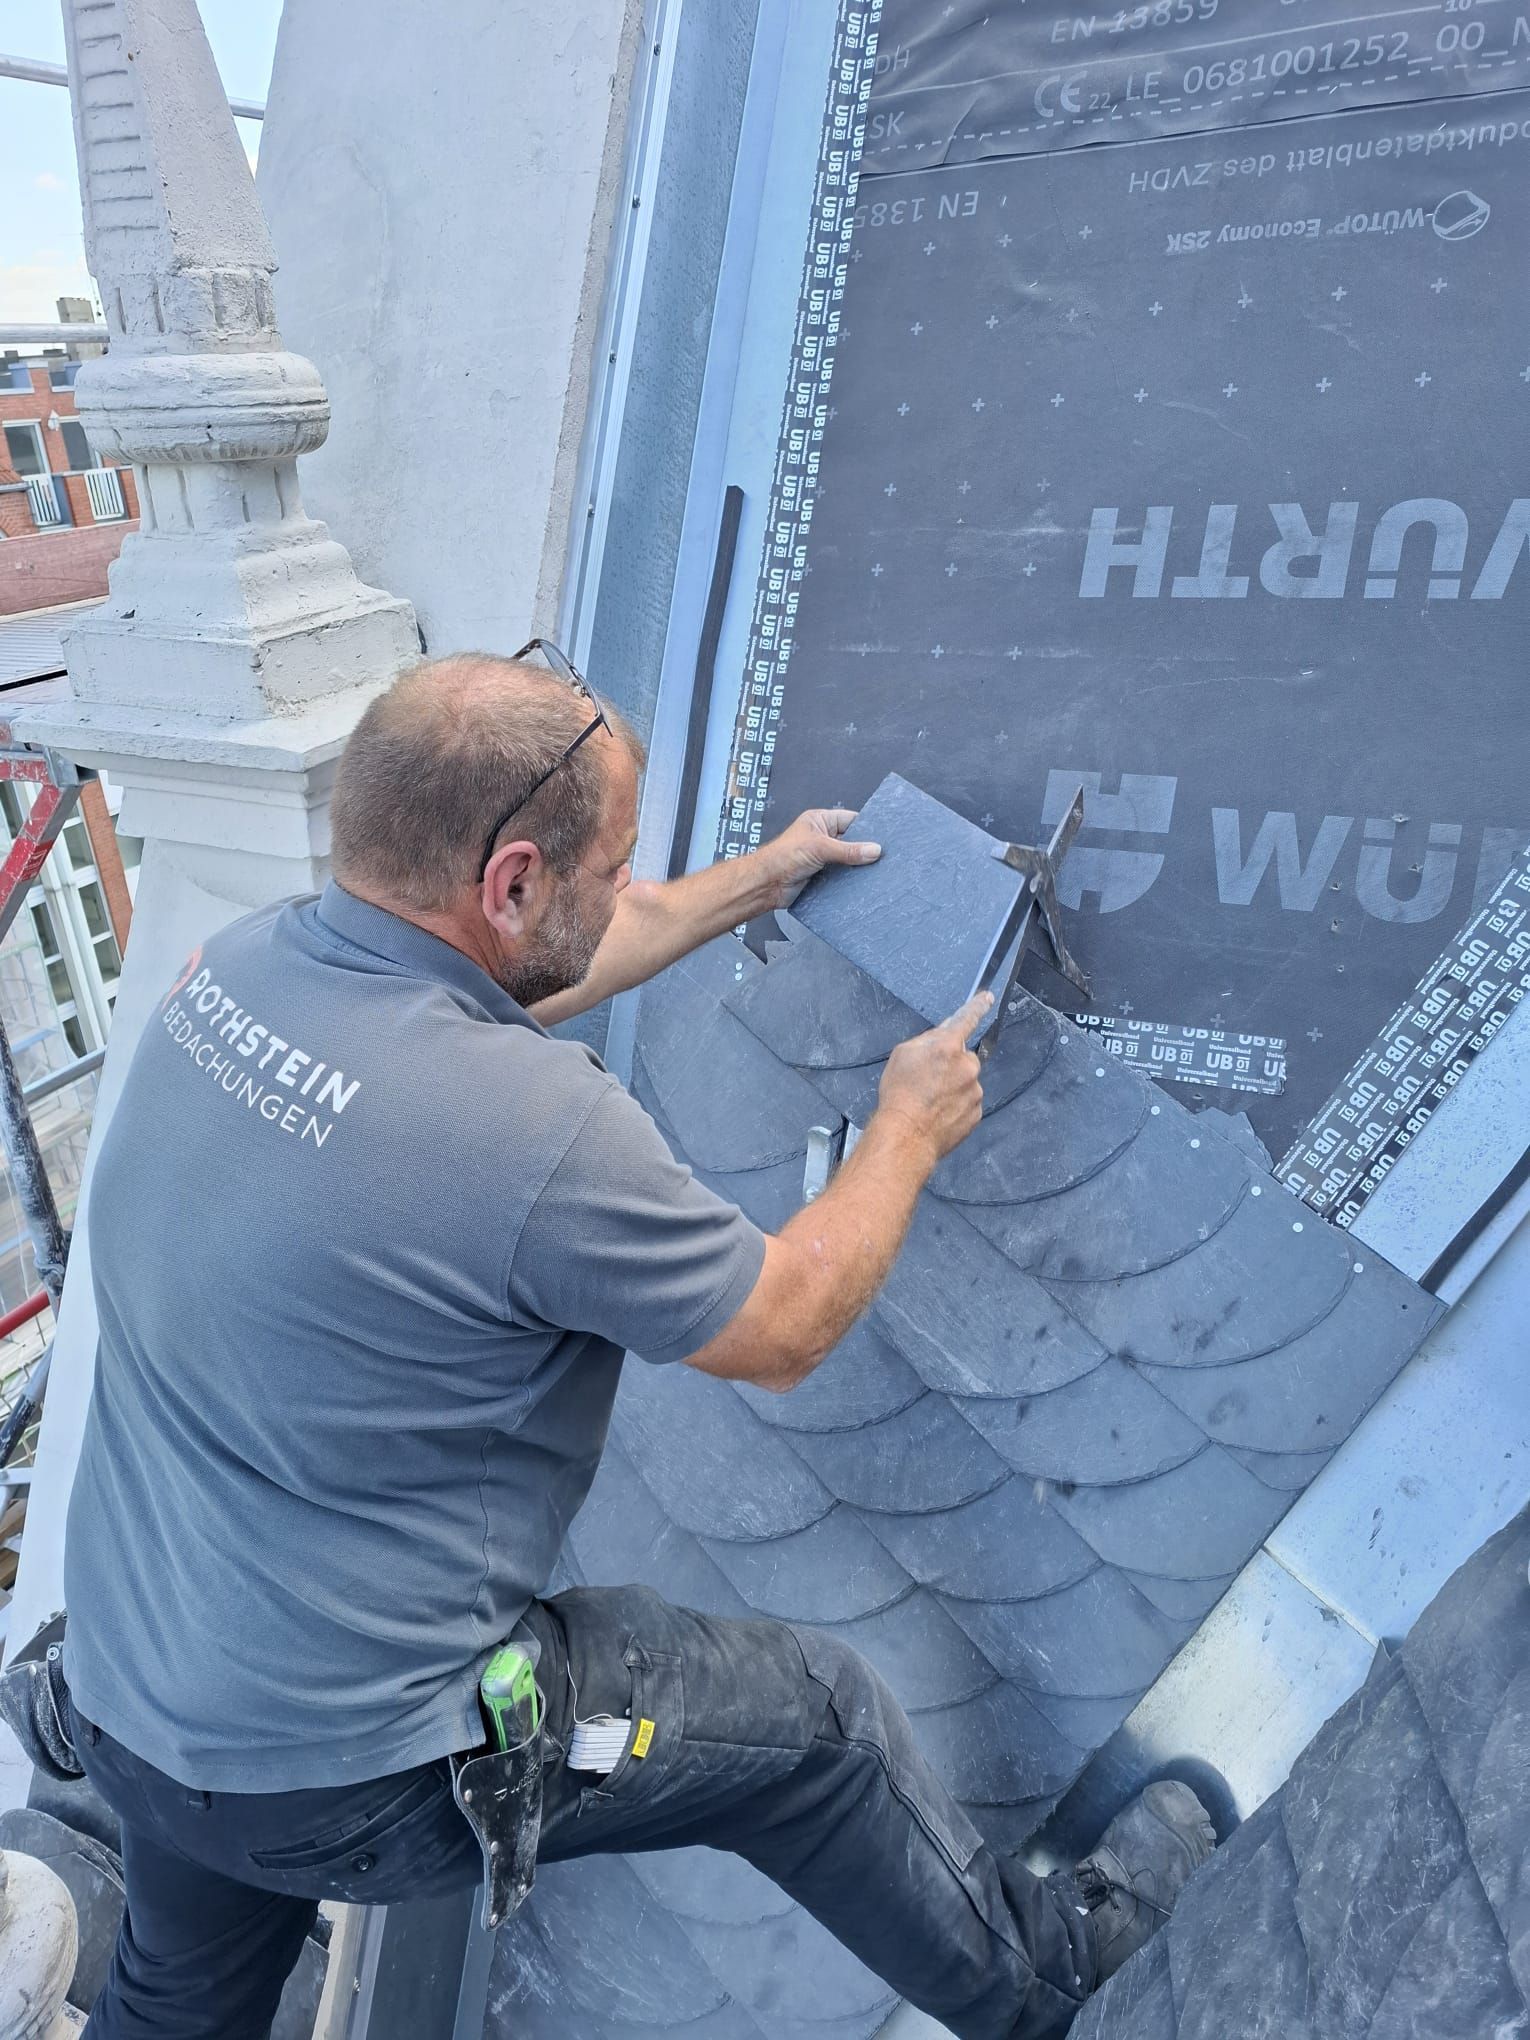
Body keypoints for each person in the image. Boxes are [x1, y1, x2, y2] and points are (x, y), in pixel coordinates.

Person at [60, 644, 1214, 2038]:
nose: (625, 889)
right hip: (367, 1777)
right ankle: (1043, 1984)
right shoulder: (535, 1130)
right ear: (511, 882)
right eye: (610, 868)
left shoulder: (244, 968)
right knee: (822, 1728)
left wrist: (761, 880)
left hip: (137, 1703)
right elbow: (783, 1324)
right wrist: (906, 1130)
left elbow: (505, 990)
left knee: (172, 2004)